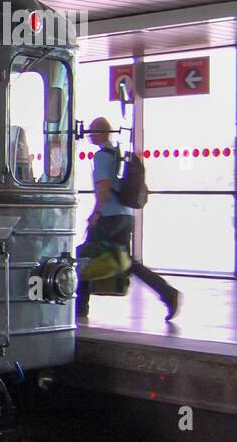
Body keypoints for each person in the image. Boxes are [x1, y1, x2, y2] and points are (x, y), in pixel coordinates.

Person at [75, 117, 180, 321]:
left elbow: (103, 187)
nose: (89, 134)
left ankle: (80, 307)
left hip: (109, 216)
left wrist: (95, 212)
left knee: (85, 255)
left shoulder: (101, 156)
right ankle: (168, 293)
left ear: (102, 132)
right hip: (125, 215)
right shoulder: (117, 153)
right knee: (128, 262)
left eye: (92, 131)